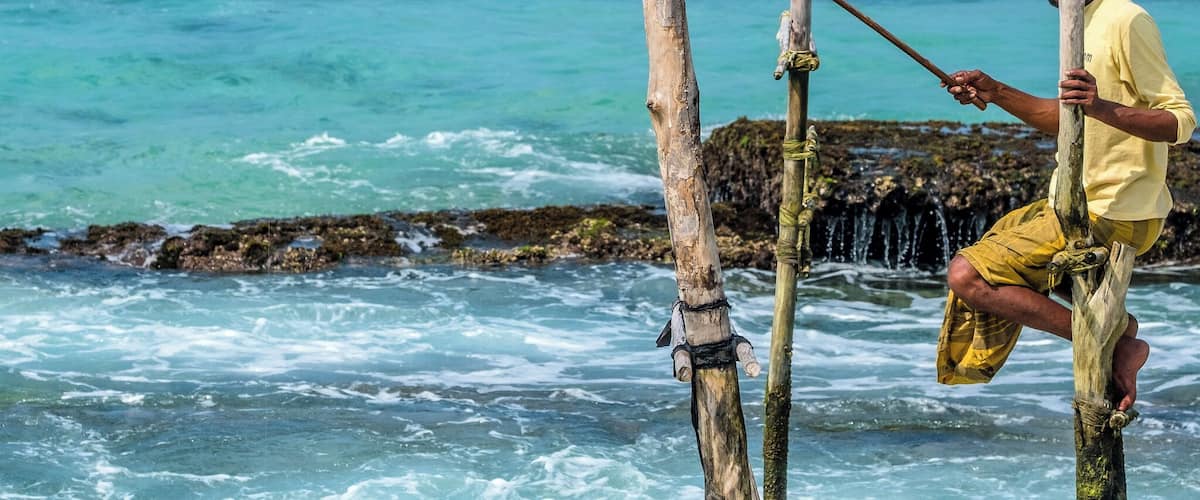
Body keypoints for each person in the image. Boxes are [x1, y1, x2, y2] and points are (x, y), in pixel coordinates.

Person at [934, 0, 1195, 411]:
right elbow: (1068, 118)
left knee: (968, 275)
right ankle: (1121, 330)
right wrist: (996, 92)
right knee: (999, 239)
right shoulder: (1075, 19)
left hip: (1115, 210)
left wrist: (1100, 106)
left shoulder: (1127, 18)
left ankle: (1117, 343)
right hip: (1072, 202)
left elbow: (1179, 122)